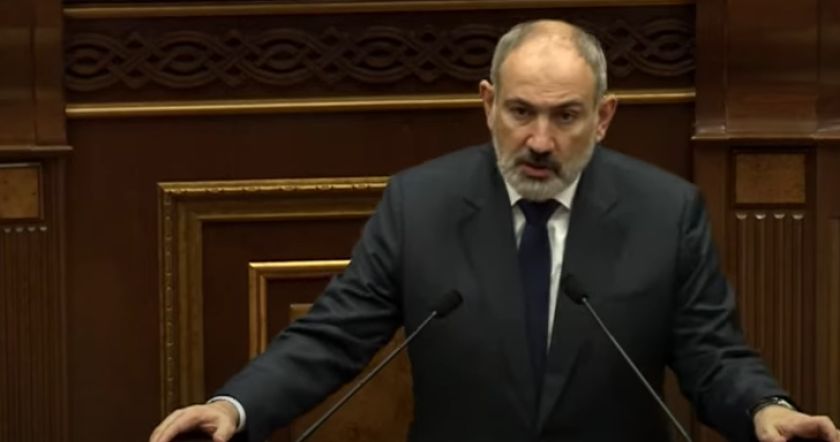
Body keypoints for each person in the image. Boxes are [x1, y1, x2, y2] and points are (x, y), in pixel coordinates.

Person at [151, 20, 840, 442]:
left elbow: (712, 356)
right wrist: (235, 407)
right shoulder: (419, 204)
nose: (539, 140)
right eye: (520, 112)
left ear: (603, 117)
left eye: (565, 116)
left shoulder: (667, 211)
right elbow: (331, 336)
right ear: (488, 105)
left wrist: (766, 409)